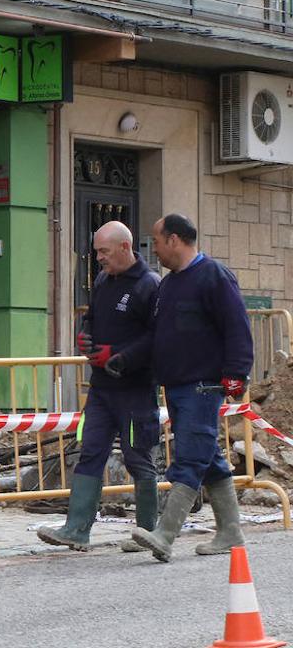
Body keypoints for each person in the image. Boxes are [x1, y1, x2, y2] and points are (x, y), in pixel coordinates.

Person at [131, 214, 253, 562]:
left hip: (203, 386)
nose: (153, 249)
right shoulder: (169, 285)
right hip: (177, 385)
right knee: (208, 457)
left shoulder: (214, 276)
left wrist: (236, 374)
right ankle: (231, 530)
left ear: (174, 240)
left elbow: (237, 327)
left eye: (156, 241)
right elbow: (159, 335)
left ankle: (165, 534)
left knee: (189, 457)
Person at [37, 221, 160, 552]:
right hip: (102, 389)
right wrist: (85, 335)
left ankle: (149, 531)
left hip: (135, 390)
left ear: (124, 247)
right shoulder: (104, 281)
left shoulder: (149, 286)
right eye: (97, 252)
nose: (99, 259)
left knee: (138, 458)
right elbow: (91, 317)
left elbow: (157, 337)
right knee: (90, 450)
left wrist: (122, 357)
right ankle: (77, 528)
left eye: (104, 252)